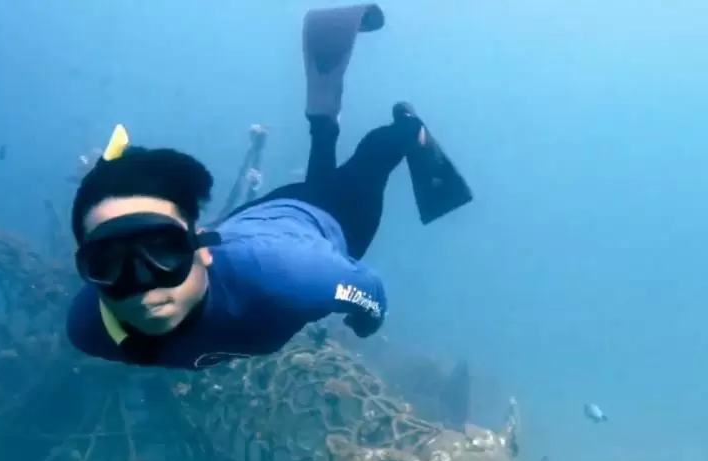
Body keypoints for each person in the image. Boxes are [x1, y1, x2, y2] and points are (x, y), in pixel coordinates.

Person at [66, 4, 472, 369]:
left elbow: (372, 290)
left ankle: (407, 129)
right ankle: (323, 119)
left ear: (202, 247)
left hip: (326, 223)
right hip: (259, 220)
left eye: (161, 250)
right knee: (322, 184)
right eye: (108, 263)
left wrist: (366, 320)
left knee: (369, 166)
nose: (142, 285)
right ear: (86, 271)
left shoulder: (294, 281)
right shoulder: (88, 328)